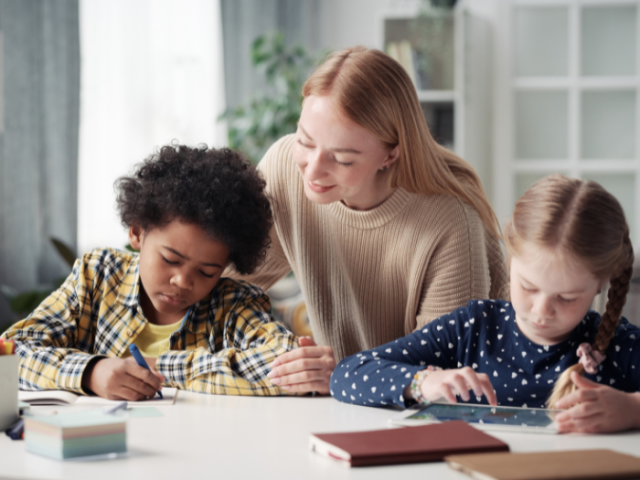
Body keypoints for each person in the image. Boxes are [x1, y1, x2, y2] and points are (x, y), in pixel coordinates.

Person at [232, 46, 508, 395]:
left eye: (343, 159)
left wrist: (339, 376)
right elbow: (223, 290)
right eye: (305, 141)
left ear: (390, 153)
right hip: (338, 402)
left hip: (421, 417)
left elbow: (446, 382)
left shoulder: (450, 222)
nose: (313, 170)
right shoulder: (286, 168)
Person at [330, 174, 640, 434]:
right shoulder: (473, 327)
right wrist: (423, 382)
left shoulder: (618, 346)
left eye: (567, 298)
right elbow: (347, 374)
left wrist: (632, 409)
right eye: (529, 287)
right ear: (509, 261)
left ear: (600, 284)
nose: (542, 310)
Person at [1, 145, 298, 400]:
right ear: (137, 232)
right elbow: (11, 353)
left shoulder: (234, 304)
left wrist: (162, 367)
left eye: (207, 272)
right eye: (170, 259)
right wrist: (91, 372)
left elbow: (287, 362)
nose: (182, 281)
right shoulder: (98, 276)